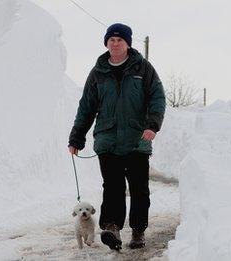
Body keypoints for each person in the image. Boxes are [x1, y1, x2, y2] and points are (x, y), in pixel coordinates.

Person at [68, 23, 166, 250]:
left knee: (139, 189)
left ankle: (138, 231)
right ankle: (111, 228)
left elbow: (157, 99)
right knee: (112, 187)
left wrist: (152, 125)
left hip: (137, 140)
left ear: (128, 43)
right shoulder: (98, 72)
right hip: (108, 140)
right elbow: (86, 107)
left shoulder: (144, 68)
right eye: (111, 39)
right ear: (106, 43)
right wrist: (76, 137)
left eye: (119, 39)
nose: (115, 43)